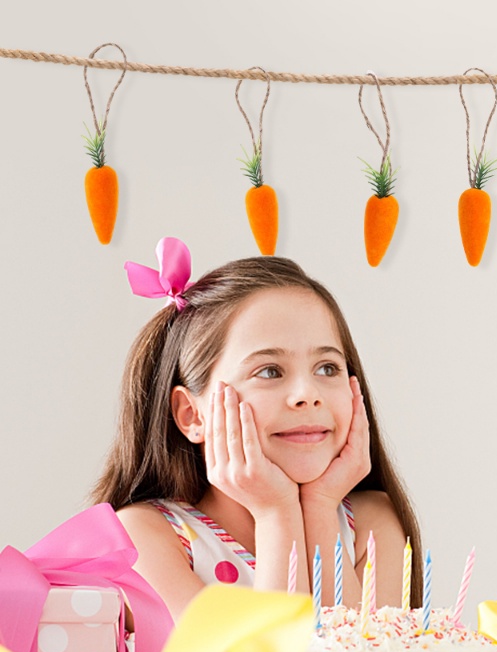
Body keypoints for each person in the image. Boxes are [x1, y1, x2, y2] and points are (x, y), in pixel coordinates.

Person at [91, 238, 423, 621]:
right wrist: (275, 515)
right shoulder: (144, 539)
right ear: (191, 415)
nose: (307, 394)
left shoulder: (370, 522)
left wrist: (319, 508)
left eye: (328, 368)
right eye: (269, 371)